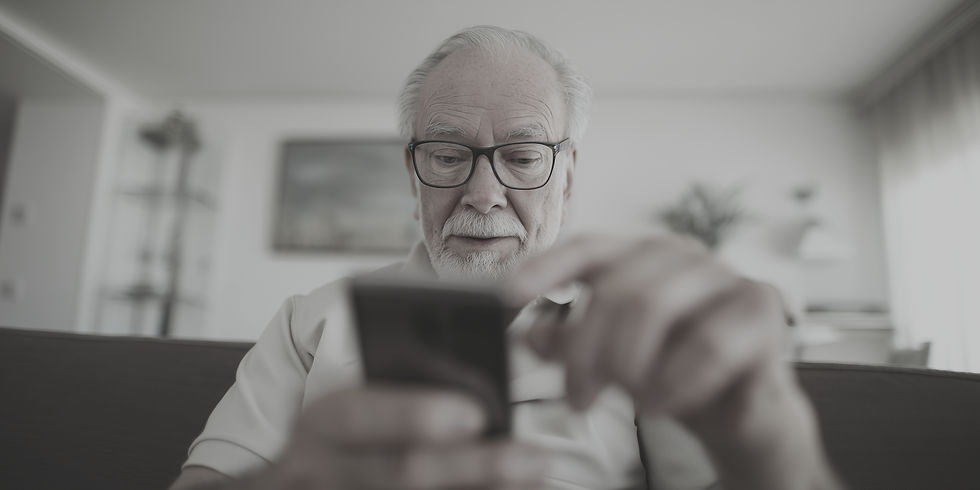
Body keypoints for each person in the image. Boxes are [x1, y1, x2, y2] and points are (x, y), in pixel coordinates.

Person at [170, 25, 841, 490]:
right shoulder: (309, 321)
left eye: (521, 157)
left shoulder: (641, 325)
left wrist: (777, 455)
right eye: (447, 154)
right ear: (413, 175)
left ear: (567, 175)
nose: (483, 194)